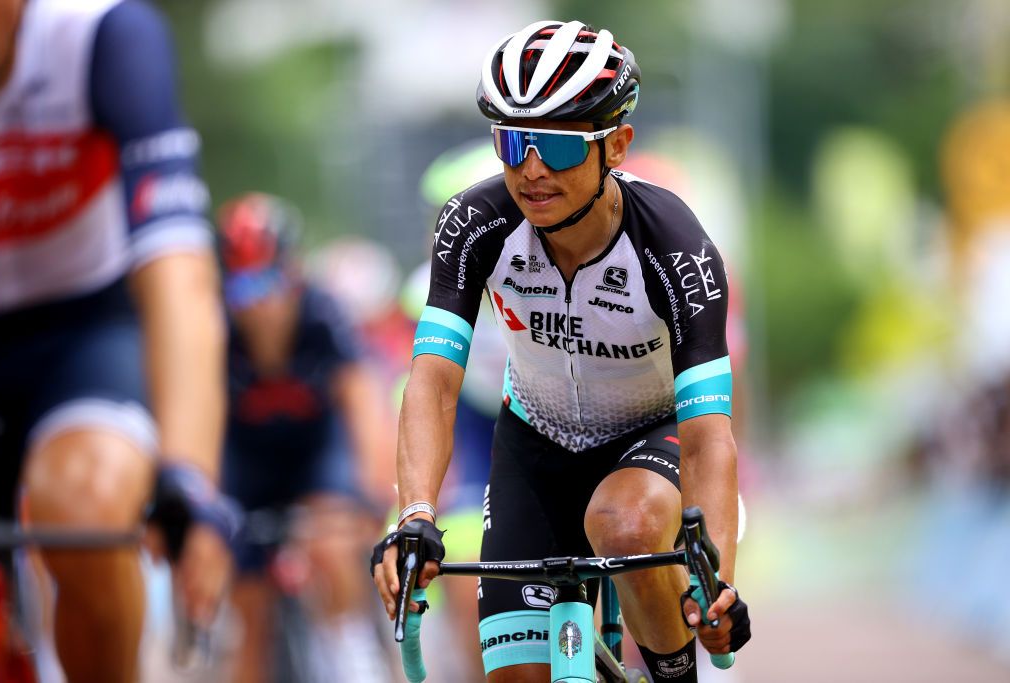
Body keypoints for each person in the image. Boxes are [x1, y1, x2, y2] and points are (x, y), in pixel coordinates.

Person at [372, 20, 752, 682]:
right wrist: (416, 514)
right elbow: (431, 383)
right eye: (513, 142)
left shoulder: (677, 248)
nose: (531, 170)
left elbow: (709, 436)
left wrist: (714, 579)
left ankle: (673, 673)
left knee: (624, 522)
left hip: (650, 436)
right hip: (536, 442)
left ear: (618, 146)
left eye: (557, 146)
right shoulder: (473, 225)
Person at [0, 1, 236, 681]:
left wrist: (189, 477)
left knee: (85, 508)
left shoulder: (101, 35)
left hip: (84, 326)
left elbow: (180, 278)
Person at [216, 193, 397, 683]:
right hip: (248, 461)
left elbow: (363, 404)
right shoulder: (214, 329)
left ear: (293, 274)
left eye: (268, 282)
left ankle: (350, 652)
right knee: (246, 607)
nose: (259, 306)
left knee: (333, 541)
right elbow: (199, 423)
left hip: (318, 452)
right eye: (242, 289)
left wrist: (374, 494)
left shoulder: (322, 313)